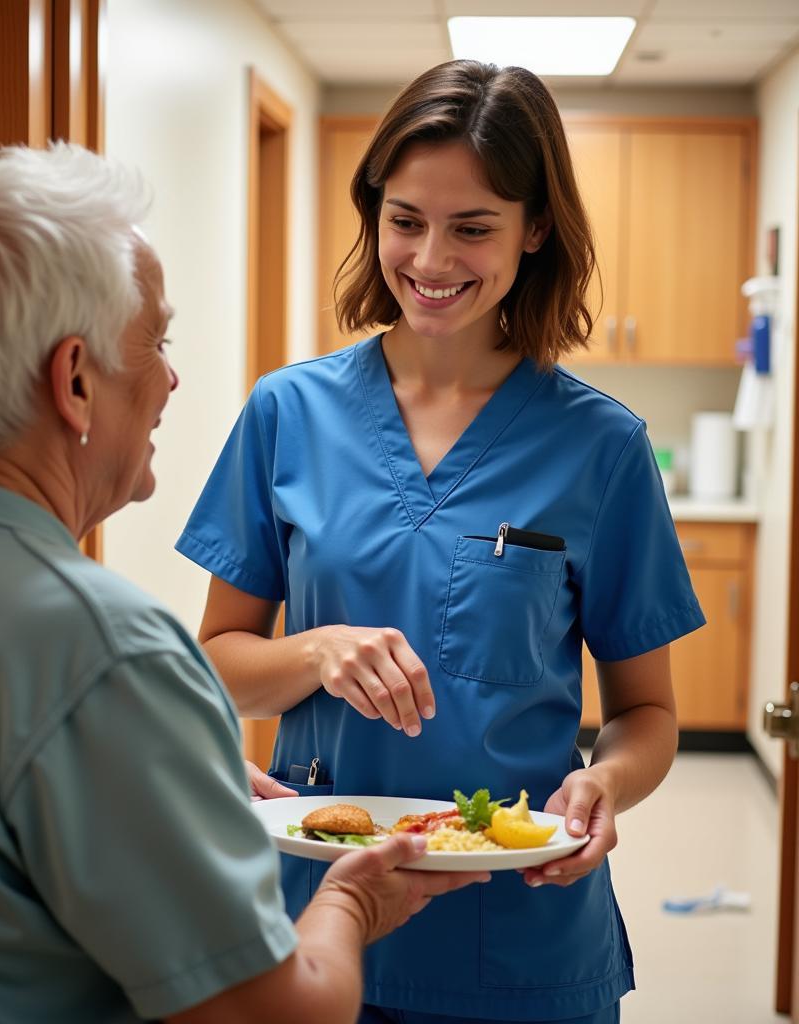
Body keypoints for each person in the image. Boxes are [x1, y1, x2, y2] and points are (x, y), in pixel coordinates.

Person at [0, 143, 488, 1023]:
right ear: (75, 380)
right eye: (156, 340)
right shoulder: (107, 649)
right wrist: (349, 903)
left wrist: (171, 783)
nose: (170, 377)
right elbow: (275, 1016)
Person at [177, 60, 706, 1024]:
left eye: (473, 228)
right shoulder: (286, 414)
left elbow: (648, 714)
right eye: (406, 219)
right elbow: (215, 667)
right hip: (318, 922)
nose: (430, 259)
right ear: (373, 211)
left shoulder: (603, 447)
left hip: (523, 937)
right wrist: (315, 651)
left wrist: (603, 786)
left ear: (535, 229)